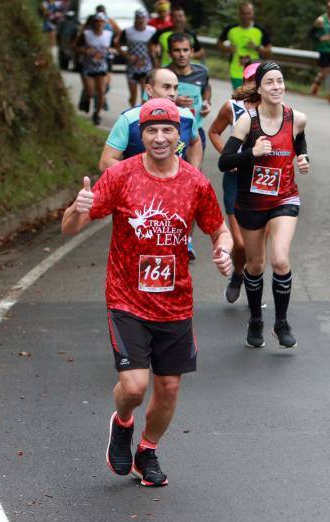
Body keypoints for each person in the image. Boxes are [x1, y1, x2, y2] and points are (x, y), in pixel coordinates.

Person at [62, 98, 234, 487]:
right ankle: (122, 423)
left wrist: (223, 250)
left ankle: (147, 450)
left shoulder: (194, 182)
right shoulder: (121, 176)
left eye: (167, 130)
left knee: (169, 386)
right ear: (141, 136)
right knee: (135, 386)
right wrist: (78, 207)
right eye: (151, 131)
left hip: (175, 302)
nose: (159, 137)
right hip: (127, 297)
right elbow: (69, 228)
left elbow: (218, 229)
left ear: (179, 136)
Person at [217, 62, 310, 349]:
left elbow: (299, 140)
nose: (277, 87)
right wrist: (251, 152)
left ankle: (281, 323)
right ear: (258, 88)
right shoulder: (248, 121)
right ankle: (256, 319)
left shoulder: (298, 118)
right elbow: (224, 162)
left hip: (284, 198)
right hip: (251, 201)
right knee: (255, 265)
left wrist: (304, 157)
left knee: (280, 259)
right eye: (270, 82)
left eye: (280, 81)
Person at [208, 62, 260, 303]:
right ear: (244, 81)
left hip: (262, 180)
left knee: (256, 245)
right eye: (251, 79)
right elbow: (214, 132)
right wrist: (228, 157)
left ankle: (253, 288)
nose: (255, 84)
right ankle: (238, 274)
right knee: (239, 243)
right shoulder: (232, 107)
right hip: (235, 178)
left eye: (260, 80)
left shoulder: (277, 109)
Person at [99, 68, 203, 172]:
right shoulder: (129, 119)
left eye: (175, 88)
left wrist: (193, 173)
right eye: (166, 87)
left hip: (178, 187)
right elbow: (106, 162)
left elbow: (195, 142)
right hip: (138, 187)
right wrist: (143, 179)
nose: (172, 93)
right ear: (149, 89)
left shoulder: (187, 116)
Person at [167, 32, 211, 261]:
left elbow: (206, 90)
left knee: (191, 185)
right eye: (177, 50)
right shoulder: (165, 74)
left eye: (186, 50)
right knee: (168, 185)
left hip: (195, 134)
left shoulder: (201, 72)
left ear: (192, 51)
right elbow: (152, 103)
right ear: (170, 53)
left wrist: (206, 105)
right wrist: (173, 102)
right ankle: (165, 235)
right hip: (170, 136)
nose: (182, 55)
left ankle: (187, 240)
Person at [217, 2, 272, 89]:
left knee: (253, 99)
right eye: (243, 13)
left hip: (254, 71)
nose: (246, 16)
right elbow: (219, 44)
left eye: (248, 13)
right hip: (236, 71)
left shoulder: (260, 30)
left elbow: (268, 52)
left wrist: (256, 48)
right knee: (240, 98)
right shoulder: (231, 29)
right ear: (239, 14)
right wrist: (227, 49)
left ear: (252, 13)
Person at [75, 13, 115, 125]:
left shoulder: (108, 34)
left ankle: (97, 114)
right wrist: (84, 51)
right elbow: (75, 46)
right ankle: (86, 100)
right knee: (90, 92)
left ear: (104, 23)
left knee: (102, 92)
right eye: (97, 21)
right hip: (88, 67)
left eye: (101, 22)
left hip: (102, 67)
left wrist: (112, 51)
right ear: (93, 23)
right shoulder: (86, 34)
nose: (99, 24)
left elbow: (114, 47)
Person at [120, 9, 157, 108]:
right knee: (133, 96)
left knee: (145, 95)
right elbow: (118, 45)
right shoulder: (127, 31)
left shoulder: (152, 31)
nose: (140, 21)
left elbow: (157, 45)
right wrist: (126, 55)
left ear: (146, 19)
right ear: (135, 19)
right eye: (138, 18)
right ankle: (133, 111)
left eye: (143, 18)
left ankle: (141, 116)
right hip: (132, 67)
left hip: (146, 66)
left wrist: (155, 55)